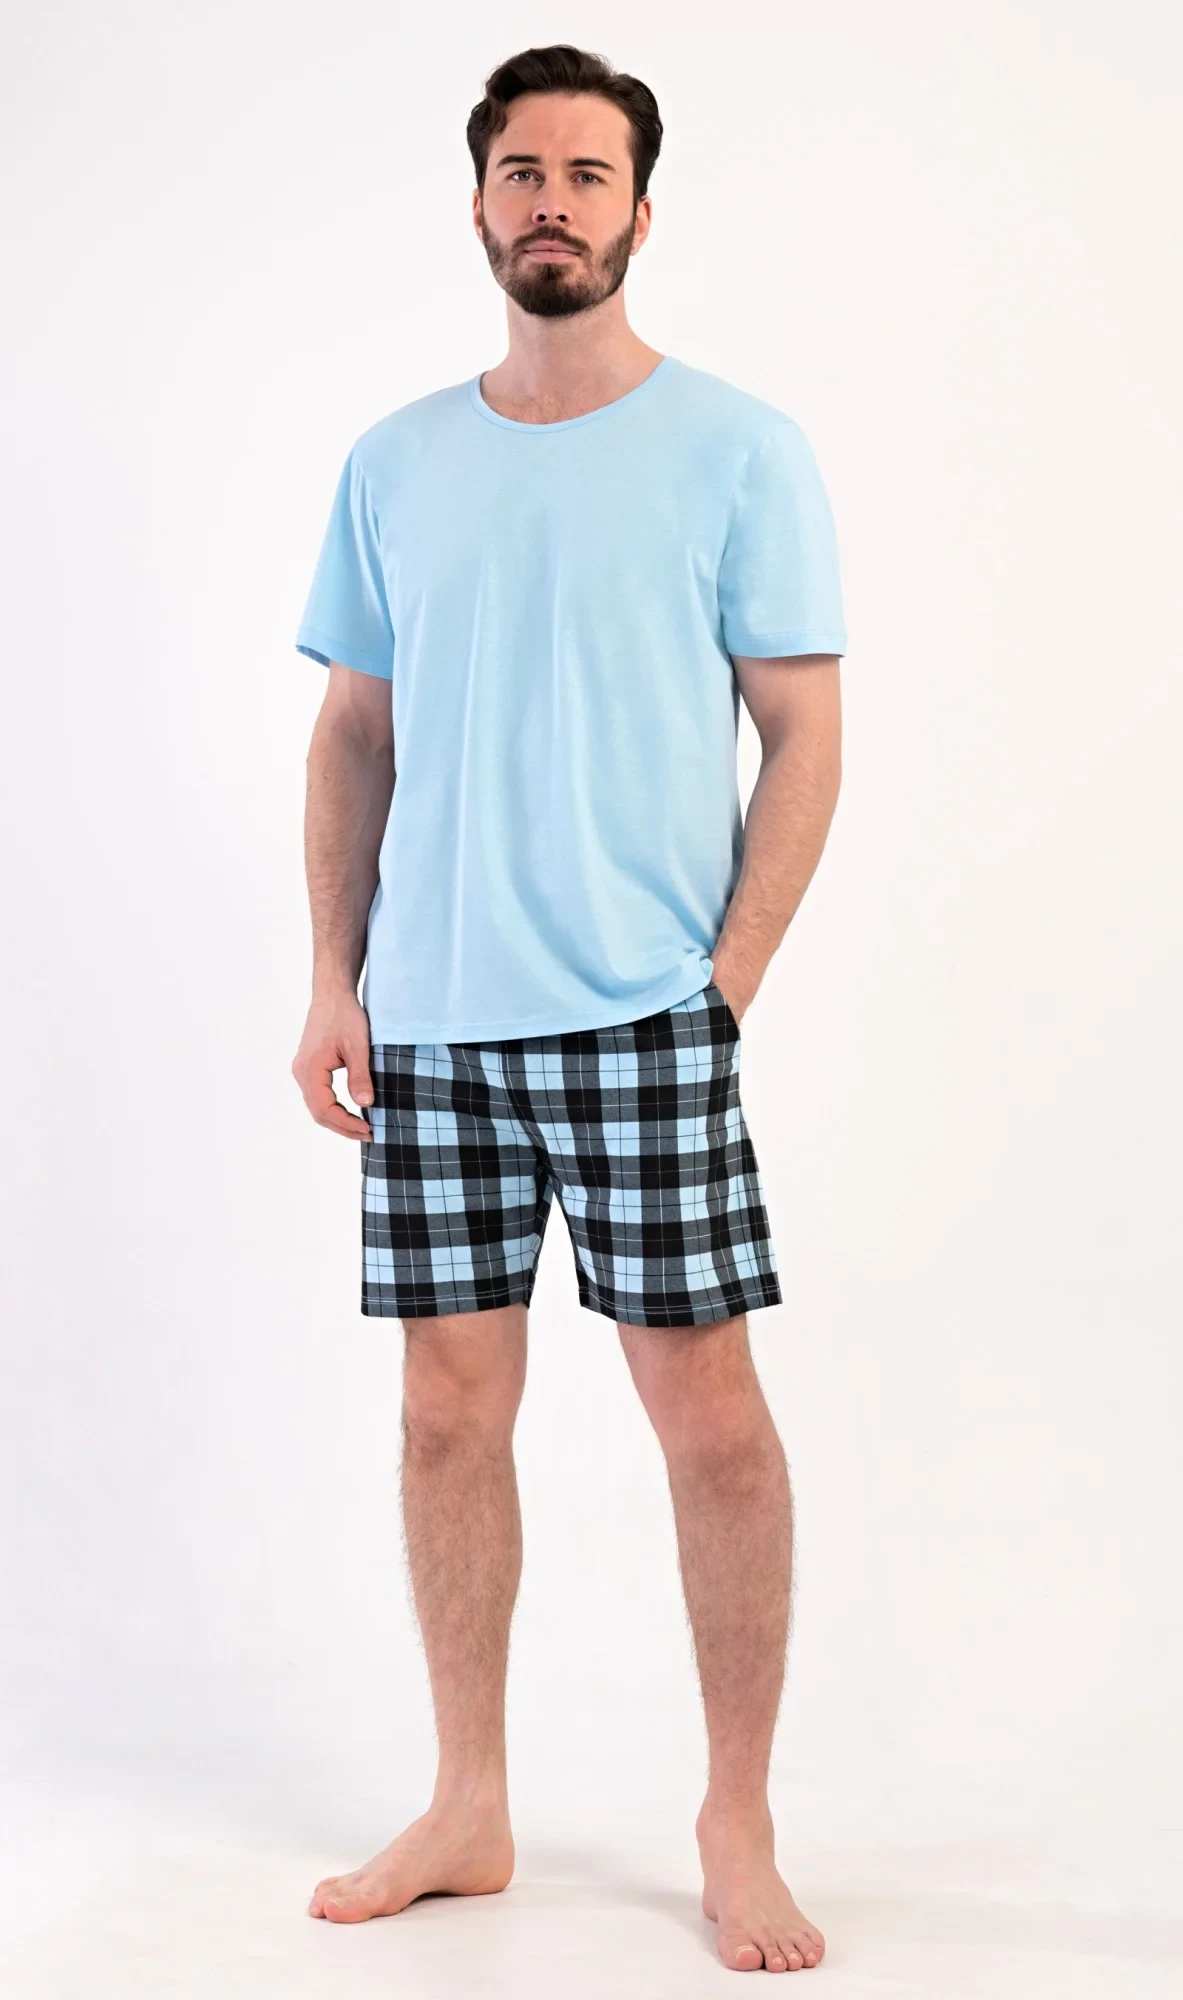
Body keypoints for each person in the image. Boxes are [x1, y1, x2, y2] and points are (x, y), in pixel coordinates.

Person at [290, 42, 845, 1977]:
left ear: (638, 212)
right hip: (433, 1026)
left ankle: (734, 1818)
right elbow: (352, 735)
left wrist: (726, 980)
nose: (550, 202)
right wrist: (332, 979)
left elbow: (802, 733)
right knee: (447, 1416)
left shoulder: (739, 449)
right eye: (520, 171)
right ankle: (468, 1801)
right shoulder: (392, 462)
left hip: (640, 1018)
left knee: (712, 1428)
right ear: (477, 205)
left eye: (585, 174)